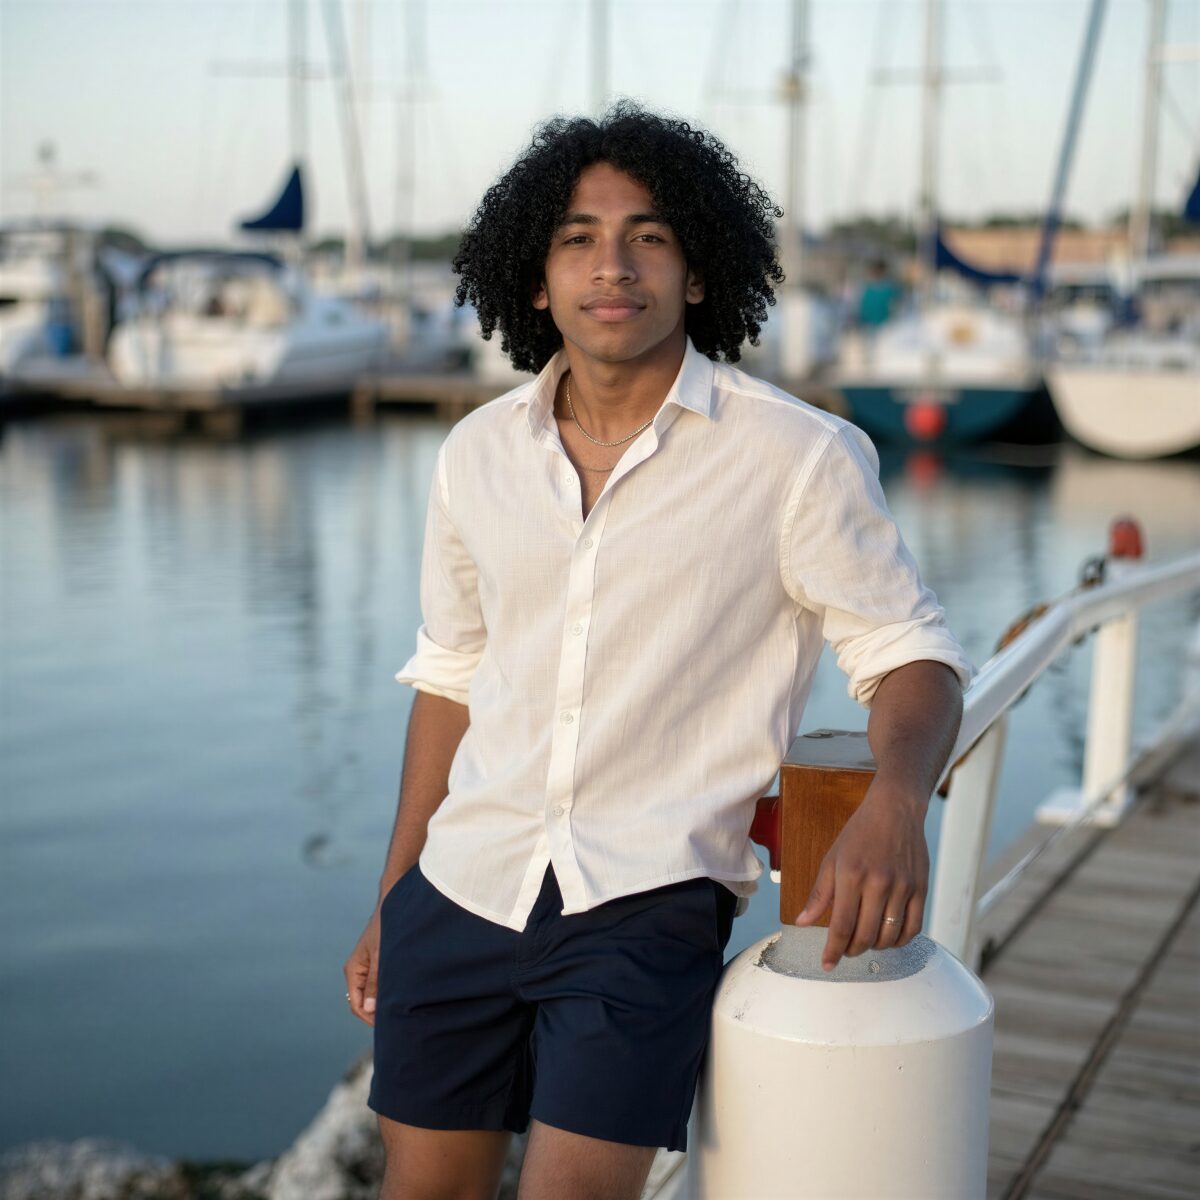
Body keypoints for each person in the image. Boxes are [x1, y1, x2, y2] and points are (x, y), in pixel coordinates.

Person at [344, 103, 971, 1200]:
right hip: (463, 884)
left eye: (649, 235)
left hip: (646, 901)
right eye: (578, 237)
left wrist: (896, 801)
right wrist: (396, 895)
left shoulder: (797, 456)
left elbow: (908, 649)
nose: (613, 265)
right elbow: (450, 677)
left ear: (696, 271)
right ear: (534, 281)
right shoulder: (475, 454)